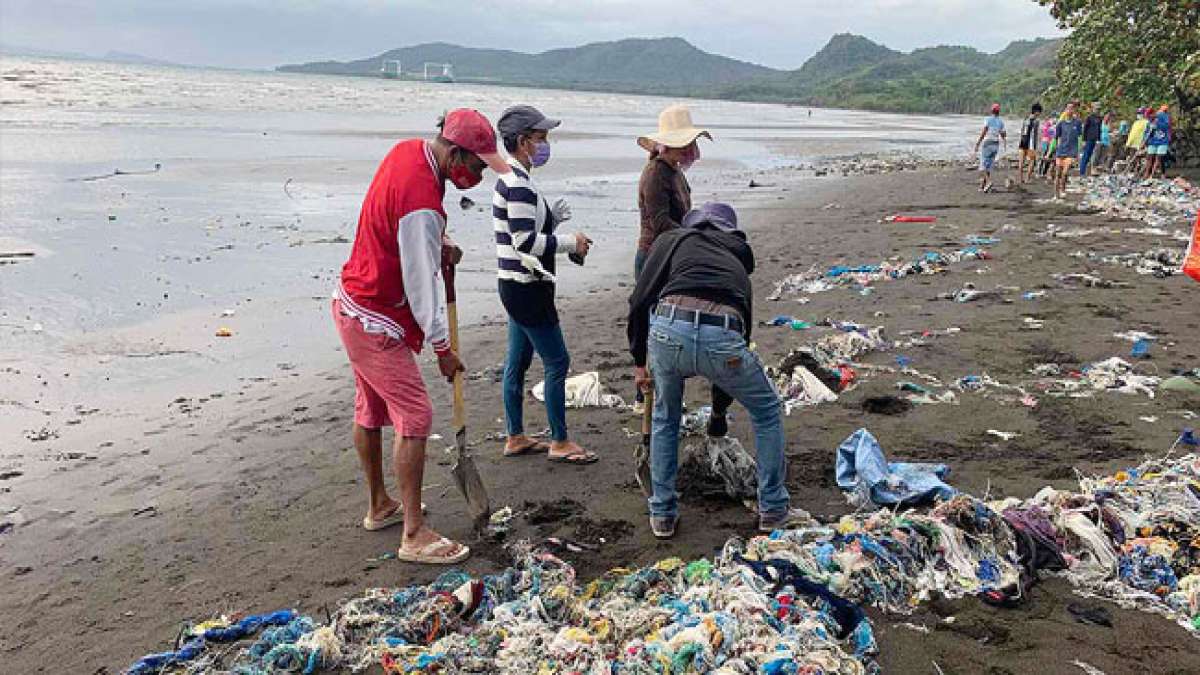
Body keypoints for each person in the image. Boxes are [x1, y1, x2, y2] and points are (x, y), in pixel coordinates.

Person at [332, 108, 509, 565]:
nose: (478, 175)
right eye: (475, 166)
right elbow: (420, 283)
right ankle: (413, 533)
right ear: (454, 153)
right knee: (415, 414)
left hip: (353, 301)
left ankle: (380, 506)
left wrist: (441, 240)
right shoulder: (422, 206)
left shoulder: (409, 151)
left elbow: (407, 228)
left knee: (370, 408)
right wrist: (443, 348)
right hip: (376, 318)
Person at [627, 202, 808, 538]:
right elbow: (741, 338)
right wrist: (719, 416)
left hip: (669, 330)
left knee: (665, 417)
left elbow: (639, 301)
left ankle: (663, 513)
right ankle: (772, 509)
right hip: (722, 334)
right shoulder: (737, 264)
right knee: (766, 409)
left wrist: (639, 362)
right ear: (730, 233)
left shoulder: (671, 241)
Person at [491, 105, 597, 464]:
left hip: (514, 284)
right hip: (527, 288)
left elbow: (526, 234)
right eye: (541, 138)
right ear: (523, 142)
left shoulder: (511, 179)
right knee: (557, 361)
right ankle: (560, 440)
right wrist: (571, 242)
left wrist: (552, 220)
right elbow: (525, 242)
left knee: (517, 362)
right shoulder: (518, 185)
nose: (546, 144)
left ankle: (516, 435)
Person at [633, 104, 731, 432]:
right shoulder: (656, 174)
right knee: (652, 323)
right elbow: (661, 222)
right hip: (654, 256)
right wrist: (694, 239)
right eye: (685, 143)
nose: (690, 149)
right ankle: (644, 393)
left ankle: (659, 390)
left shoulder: (674, 171)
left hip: (674, 253)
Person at [973, 103, 1006, 192]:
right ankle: (982, 186)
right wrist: (1005, 143)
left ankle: (988, 182)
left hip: (988, 143)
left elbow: (984, 132)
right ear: (998, 112)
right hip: (996, 144)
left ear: (991, 111)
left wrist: (978, 143)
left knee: (983, 166)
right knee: (988, 166)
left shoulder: (988, 119)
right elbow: (1003, 134)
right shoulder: (1001, 122)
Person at [1053, 102, 1083, 200]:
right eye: (1068, 108)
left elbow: (1080, 137)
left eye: (1071, 109)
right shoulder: (1060, 124)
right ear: (1065, 110)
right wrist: (1052, 151)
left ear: (1074, 111)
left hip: (1071, 151)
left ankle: (1063, 189)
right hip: (1061, 150)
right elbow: (1056, 138)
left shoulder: (1077, 123)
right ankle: (1056, 194)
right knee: (1057, 173)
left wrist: (1078, 152)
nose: (1069, 111)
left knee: (1065, 172)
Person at [1017, 103, 1042, 184]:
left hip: (1022, 141)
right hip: (1030, 142)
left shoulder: (1026, 118)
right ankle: (1027, 178)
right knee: (1032, 161)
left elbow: (1022, 130)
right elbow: (1035, 134)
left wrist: (1021, 140)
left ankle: (1020, 179)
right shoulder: (1036, 121)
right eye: (1039, 112)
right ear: (1036, 111)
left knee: (1021, 161)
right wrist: (1037, 146)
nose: (1039, 114)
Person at [1144, 104, 1171, 179]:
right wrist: (1145, 141)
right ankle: (1147, 173)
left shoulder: (1162, 116)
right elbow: (1146, 132)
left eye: (1150, 116)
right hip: (1153, 141)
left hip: (1163, 140)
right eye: (1148, 117)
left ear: (1153, 114)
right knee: (1149, 157)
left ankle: (1154, 175)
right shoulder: (1149, 122)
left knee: (1159, 157)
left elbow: (1166, 126)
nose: (1149, 118)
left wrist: (1158, 124)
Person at [1079, 102, 1102, 176]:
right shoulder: (1089, 118)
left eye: (1098, 109)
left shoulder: (1099, 118)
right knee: (1086, 155)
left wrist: (1099, 139)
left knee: (1093, 156)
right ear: (1093, 109)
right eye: (1096, 109)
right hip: (1089, 139)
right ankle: (1082, 171)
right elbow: (1085, 129)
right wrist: (1084, 140)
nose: (1097, 110)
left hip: (1096, 140)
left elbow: (1099, 129)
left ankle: (1090, 171)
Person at [1125, 108, 1150, 175]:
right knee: (1133, 159)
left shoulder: (1147, 122)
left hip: (1141, 144)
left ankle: (1141, 172)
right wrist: (1128, 143)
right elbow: (1132, 133)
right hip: (1133, 144)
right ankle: (1133, 171)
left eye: (1140, 113)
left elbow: (1147, 134)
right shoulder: (1135, 123)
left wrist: (1144, 143)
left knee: (1141, 158)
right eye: (1138, 113)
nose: (1139, 115)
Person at [1038, 112, 1056, 179]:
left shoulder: (1052, 125)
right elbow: (1043, 134)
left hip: (1049, 143)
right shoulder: (1048, 125)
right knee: (1044, 157)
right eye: (1053, 118)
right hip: (1046, 142)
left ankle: (1043, 172)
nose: (1054, 119)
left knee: (1047, 157)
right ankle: (1041, 172)